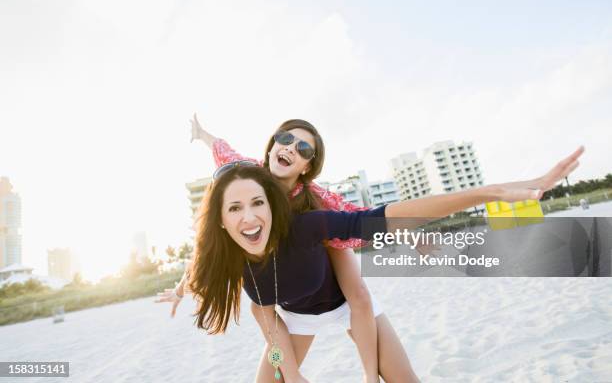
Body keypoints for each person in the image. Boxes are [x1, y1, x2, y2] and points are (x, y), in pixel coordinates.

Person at [161, 144, 583, 382]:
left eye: (257, 202)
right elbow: (267, 334)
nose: (249, 217)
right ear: (220, 219)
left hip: (347, 305)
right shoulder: (224, 259)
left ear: (272, 205)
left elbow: (389, 214)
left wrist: (494, 192)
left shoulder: (308, 227)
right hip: (295, 320)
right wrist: (289, 373)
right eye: (234, 209)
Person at [179, 116, 382, 382]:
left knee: (357, 292)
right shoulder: (251, 176)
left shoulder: (316, 202)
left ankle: (370, 375)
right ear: (273, 143)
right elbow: (223, 151)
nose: (290, 148)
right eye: (285, 138)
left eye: (304, 149)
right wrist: (202, 133)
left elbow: (363, 219)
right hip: (299, 311)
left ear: (309, 166)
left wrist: (409, 234)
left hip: (332, 284)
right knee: (273, 367)